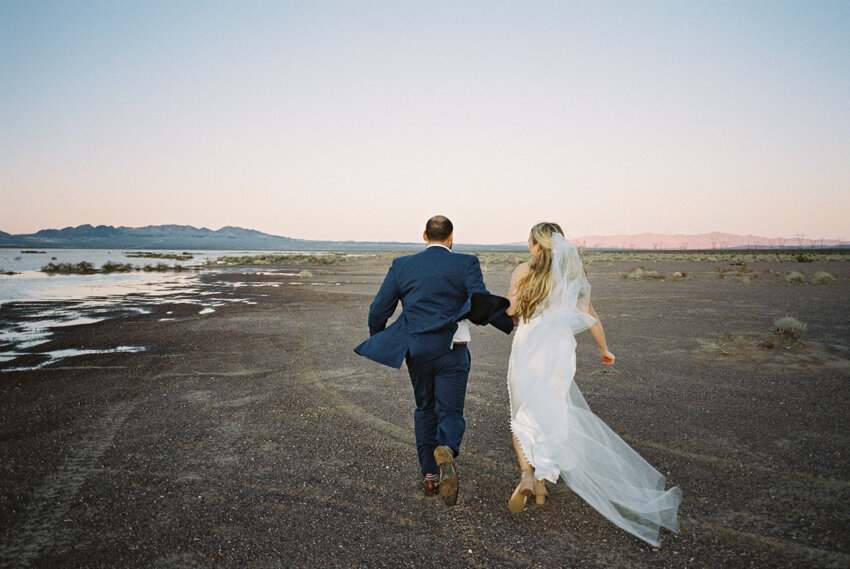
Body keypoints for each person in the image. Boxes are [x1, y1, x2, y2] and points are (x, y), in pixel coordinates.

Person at [504, 222, 681, 547]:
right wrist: (604, 348)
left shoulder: (522, 271)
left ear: (536, 245)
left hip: (530, 347)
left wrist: (500, 308)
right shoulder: (571, 272)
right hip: (559, 350)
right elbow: (589, 313)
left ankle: (528, 475)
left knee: (522, 412)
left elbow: (512, 311)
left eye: (530, 243)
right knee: (552, 411)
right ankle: (541, 487)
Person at [355, 215, 512, 506]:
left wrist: (381, 339)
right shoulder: (467, 262)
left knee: (425, 409)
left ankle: (430, 477)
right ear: (451, 237)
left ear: (424, 236)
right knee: (450, 411)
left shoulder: (402, 265)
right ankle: (448, 451)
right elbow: (479, 300)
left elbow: (379, 309)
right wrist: (501, 318)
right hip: (454, 348)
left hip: (418, 351)